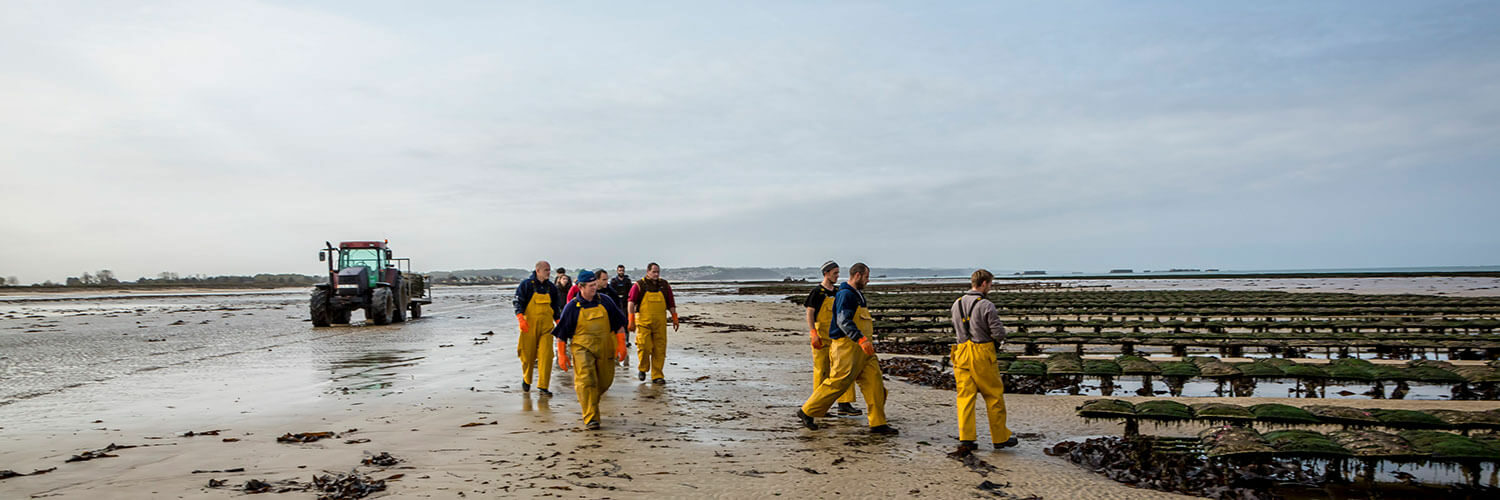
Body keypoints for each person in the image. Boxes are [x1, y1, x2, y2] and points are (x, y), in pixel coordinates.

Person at [797, 262, 897, 435]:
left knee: (876, 385)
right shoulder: (845, 294)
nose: (868, 281)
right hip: (846, 347)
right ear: (857, 276)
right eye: (866, 277)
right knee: (837, 383)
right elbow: (843, 321)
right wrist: (860, 339)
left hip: (864, 351)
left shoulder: (856, 294)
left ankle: (878, 423)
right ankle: (807, 411)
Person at [950, 269, 1017, 452]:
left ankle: (967, 438)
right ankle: (999, 437)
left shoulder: (957, 304)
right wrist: (998, 341)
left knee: (965, 398)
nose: (990, 287)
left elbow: (956, 328)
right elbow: (998, 332)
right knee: (993, 395)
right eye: (990, 284)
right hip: (982, 352)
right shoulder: (986, 305)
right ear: (985, 283)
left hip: (961, 351)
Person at [553, 270, 629, 430]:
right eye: (591, 286)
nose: (594, 288)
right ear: (581, 287)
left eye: (595, 285)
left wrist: (621, 344)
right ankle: (591, 418)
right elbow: (561, 334)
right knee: (587, 381)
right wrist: (561, 354)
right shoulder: (572, 307)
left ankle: (590, 403)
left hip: (605, 347)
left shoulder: (606, 301)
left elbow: (619, 324)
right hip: (582, 348)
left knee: (605, 381)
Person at [805, 261, 860, 416]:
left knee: (842, 370)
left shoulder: (838, 292)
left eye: (838, 273)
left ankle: (844, 403)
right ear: (826, 273)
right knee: (822, 371)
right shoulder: (817, 292)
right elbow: (810, 313)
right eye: (835, 273)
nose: (837, 276)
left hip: (836, 338)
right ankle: (819, 407)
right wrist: (813, 333)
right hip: (820, 338)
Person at [513, 261, 563, 396]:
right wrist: (520, 318)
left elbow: (555, 307)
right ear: (538, 270)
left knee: (547, 355)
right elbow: (518, 302)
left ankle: (543, 386)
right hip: (529, 326)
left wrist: (559, 321)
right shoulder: (526, 285)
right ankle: (527, 379)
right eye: (546, 270)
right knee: (527, 355)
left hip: (547, 327)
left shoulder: (551, 288)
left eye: (549, 270)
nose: (549, 272)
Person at [627, 263, 678, 384]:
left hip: (660, 323)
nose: (656, 274)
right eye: (654, 272)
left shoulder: (664, 285)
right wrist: (631, 320)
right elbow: (631, 303)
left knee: (659, 349)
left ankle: (657, 375)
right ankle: (643, 368)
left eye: (658, 272)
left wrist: (675, 317)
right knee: (644, 346)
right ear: (648, 272)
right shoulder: (639, 285)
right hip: (643, 322)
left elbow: (670, 303)